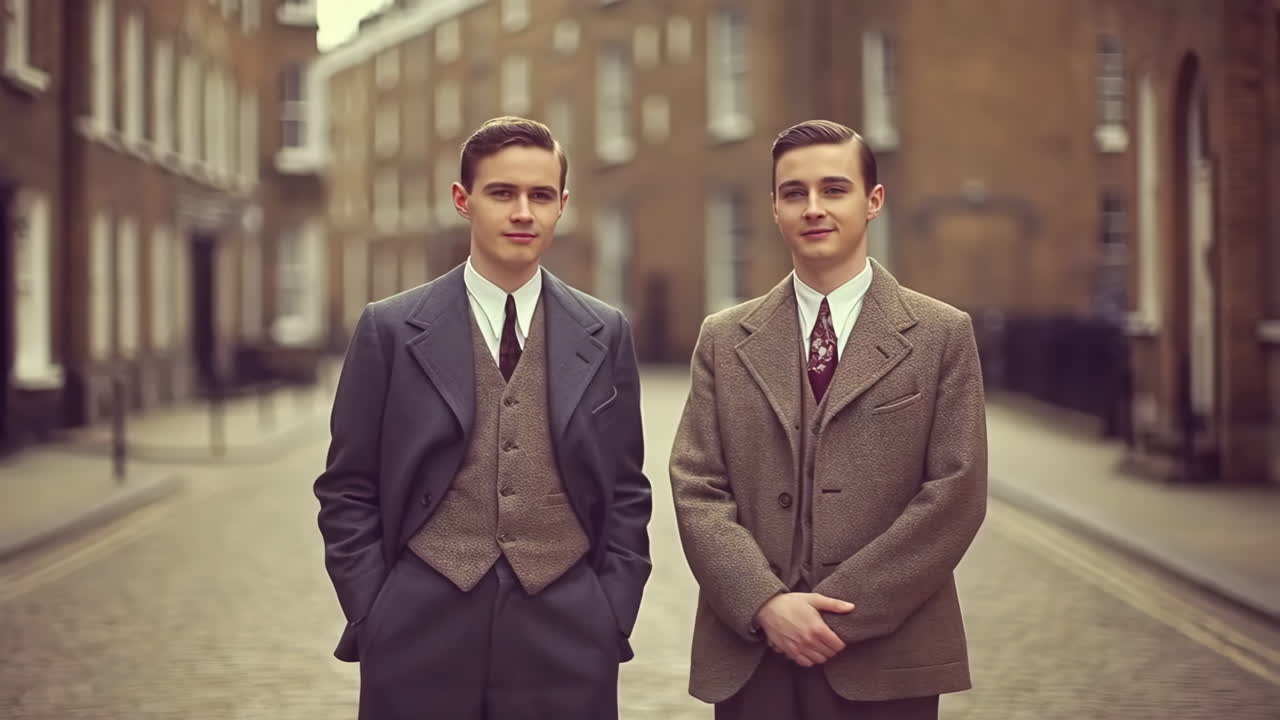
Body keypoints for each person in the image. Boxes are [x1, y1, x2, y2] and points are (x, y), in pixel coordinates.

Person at [315, 116, 651, 720]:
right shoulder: (388, 329)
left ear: (562, 206)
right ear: (463, 201)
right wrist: (375, 611)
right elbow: (347, 487)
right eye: (503, 193)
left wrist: (611, 612)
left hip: (569, 628)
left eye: (540, 195)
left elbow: (627, 490)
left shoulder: (606, 331)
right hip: (418, 627)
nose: (523, 211)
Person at [669, 119, 987, 720]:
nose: (813, 208)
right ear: (774, 208)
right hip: (751, 654)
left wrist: (839, 611)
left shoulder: (943, 334)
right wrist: (764, 602)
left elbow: (955, 494)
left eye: (834, 189)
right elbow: (696, 487)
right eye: (795, 193)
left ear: (873, 202)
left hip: (889, 660)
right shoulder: (722, 338)